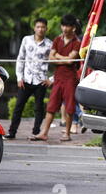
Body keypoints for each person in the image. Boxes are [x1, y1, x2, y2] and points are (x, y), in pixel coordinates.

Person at [29, 14, 81, 142]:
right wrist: (64, 58)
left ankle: (67, 134)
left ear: (73, 28)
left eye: (67, 26)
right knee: (51, 105)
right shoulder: (57, 39)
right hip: (58, 77)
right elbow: (51, 58)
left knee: (69, 107)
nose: (64, 28)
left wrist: (58, 56)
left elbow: (70, 61)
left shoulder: (77, 42)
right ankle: (44, 133)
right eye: (63, 25)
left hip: (70, 78)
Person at [4, 18, 52, 139]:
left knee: (39, 108)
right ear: (34, 28)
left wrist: (51, 79)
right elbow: (20, 59)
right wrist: (19, 77)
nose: (40, 29)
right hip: (26, 80)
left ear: (46, 28)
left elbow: (59, 64)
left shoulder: (50, 44)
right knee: (18, 107)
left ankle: (36, 132)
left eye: (43, 27)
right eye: (38, 27)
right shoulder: (26, 40)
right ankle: (12, 132)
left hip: (40, 81)